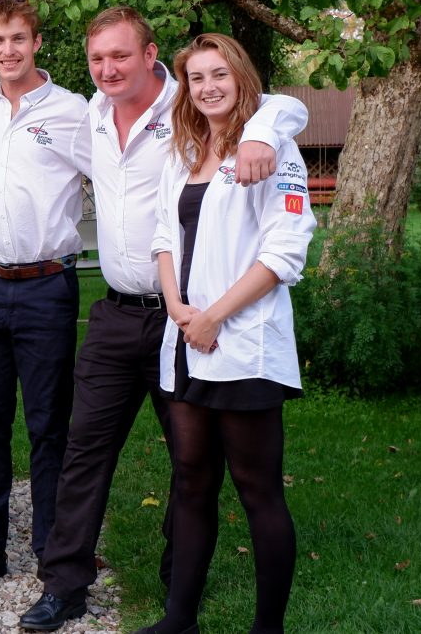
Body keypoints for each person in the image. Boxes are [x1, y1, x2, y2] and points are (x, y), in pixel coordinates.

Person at [19, 8, 309, 630]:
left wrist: (263, 131)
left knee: (223, 478)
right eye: (97, 59)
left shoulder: (223, 123)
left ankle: (206, 599)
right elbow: (164, 233)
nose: (108, 69)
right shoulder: (119, 122)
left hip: (224, 332)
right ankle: (82, 590)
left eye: (120, 55)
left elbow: (284, 109)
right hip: (143, 319)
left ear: (150, 56)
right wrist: (181, 308)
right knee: (109, 456)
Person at [138, 32, 314, 634]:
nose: (208, 87)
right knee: (191, 481)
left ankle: (268, 629)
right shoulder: (185, 153)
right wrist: (179, 308)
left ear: (241, 77)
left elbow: (284, 252)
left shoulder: (272, 149)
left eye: (220, 74)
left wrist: (215, 316)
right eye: (196, 78)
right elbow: (165, 236)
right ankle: (178, 620)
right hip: (187, 341)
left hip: (243, 345)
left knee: (257, 489)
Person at [0, 0, 90, 592]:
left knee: (47, 424)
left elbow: (119, 170)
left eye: (18, 39)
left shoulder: (73, 111)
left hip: (46, 287)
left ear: (36, 43)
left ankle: (49, 548)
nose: (8, 50)